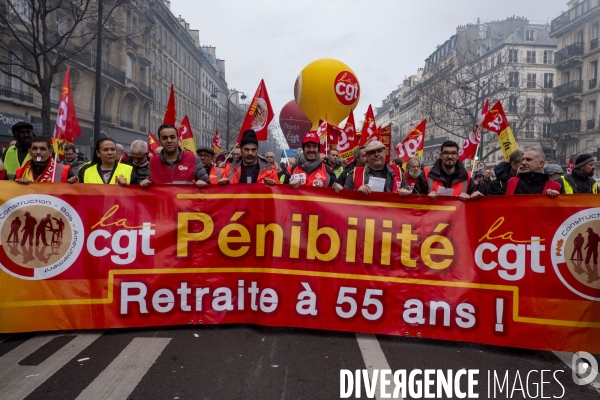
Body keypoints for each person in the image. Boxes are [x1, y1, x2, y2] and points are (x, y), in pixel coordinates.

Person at [402, 140, 482, 201]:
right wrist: (426, 198)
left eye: (453, 153)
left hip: (458, 221)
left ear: (457, 156)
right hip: (433, 221)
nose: (450, 156)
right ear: (441, 155)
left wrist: (474, 196)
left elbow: (475, 203)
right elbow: (415, 199)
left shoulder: (467, 176)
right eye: (446, 153)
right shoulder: (426, 174)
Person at [140, 124, 208, 187]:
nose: (169, 140)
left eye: (172, 137)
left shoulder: (194, 159)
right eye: (164, 138)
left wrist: (203, 183)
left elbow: (209, 188)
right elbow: (148, 186)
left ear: (178, 139)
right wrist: (145, 183)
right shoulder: (153, 162)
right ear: (160, 141)